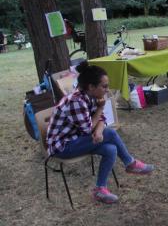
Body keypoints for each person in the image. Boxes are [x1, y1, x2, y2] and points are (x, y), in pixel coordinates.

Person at [46, 61, 154, 204]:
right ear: (91, 86)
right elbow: (87, 128)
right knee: (111, 134)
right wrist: (100, 111)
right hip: (62, 147)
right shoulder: (77, 101)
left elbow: (101, 120)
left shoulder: (89, 96)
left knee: (111, 149)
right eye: (104, 86)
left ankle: (99, 190)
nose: (107, 89)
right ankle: (130, 163)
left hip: (76, 139)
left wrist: (98, 131)